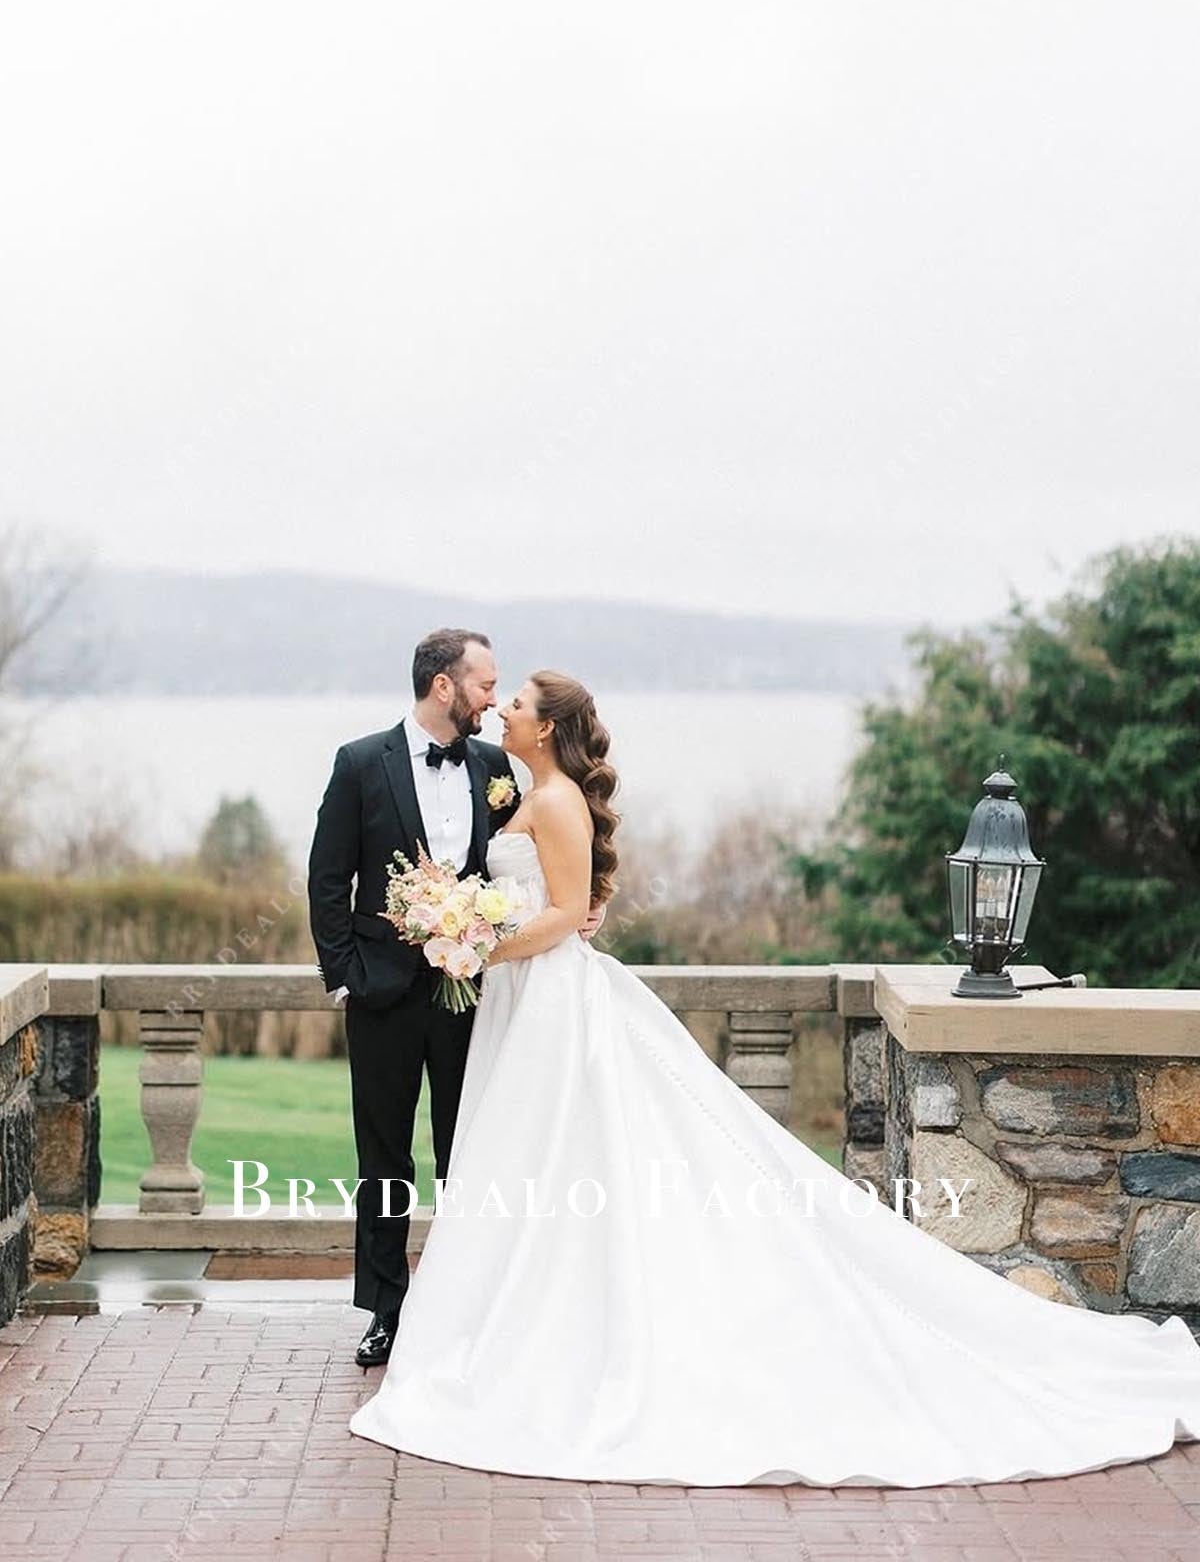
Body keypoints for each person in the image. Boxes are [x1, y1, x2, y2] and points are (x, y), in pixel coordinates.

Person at [349, 669, 1200, 1487]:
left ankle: (566, 1333)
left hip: (548, 1000)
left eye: (520, 703)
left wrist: (479, 945)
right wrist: (466, 926)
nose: (503, 712)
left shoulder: (559, 800)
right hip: (517, 1002)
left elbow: (568, 915)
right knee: (528, 1165)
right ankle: (525, 1324)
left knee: (563, 1153)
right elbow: (563, 901)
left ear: (548, 728)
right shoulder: (526, 790)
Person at [307, 629, 600, 1369]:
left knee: (469, 1150)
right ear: (444, 685)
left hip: (472, 994)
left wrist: (583, 906)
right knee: (383, 1156)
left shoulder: (497, 767)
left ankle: (461, 1305)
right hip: (380, 993)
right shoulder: (359, 764)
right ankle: (384, 1310)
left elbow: (534, 869)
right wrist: (343, 973)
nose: (493, 700)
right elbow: (327, 877)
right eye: (482, 685)